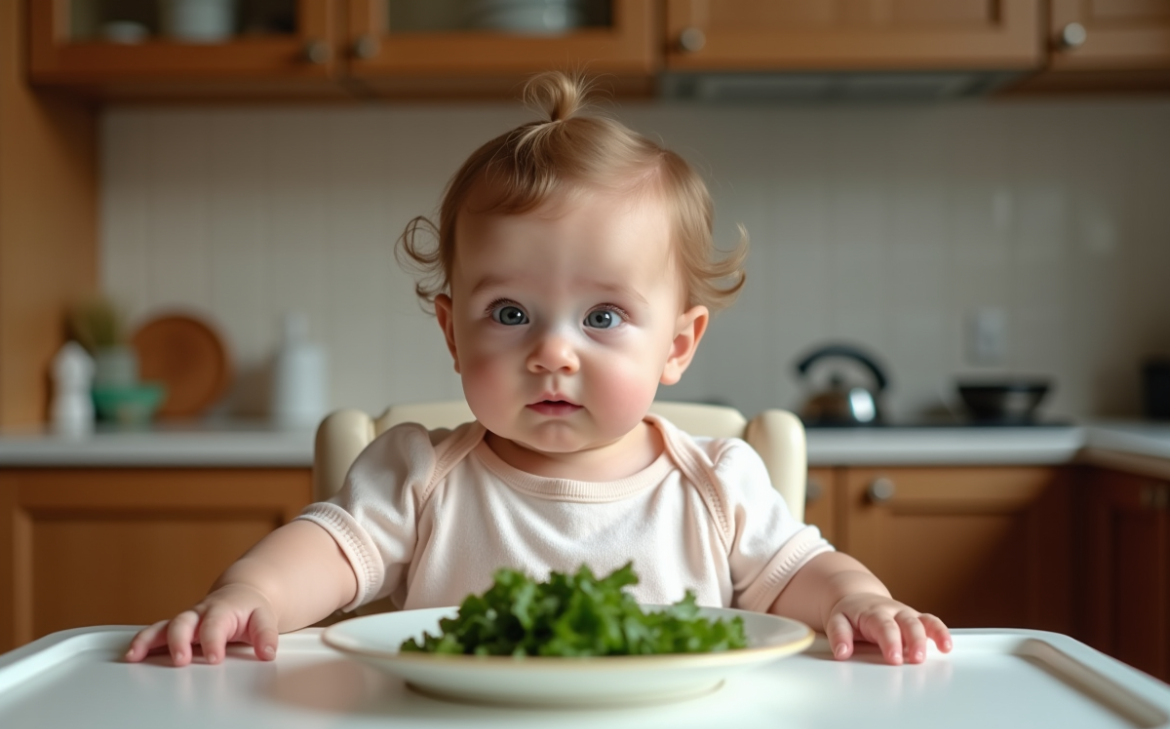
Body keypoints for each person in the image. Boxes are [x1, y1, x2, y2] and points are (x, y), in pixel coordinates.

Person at [126, 72, 951, 669]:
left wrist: (861, 601)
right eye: (511, 314)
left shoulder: (719, 483)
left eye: (603, 318)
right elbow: (327, 551)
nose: (553, 352)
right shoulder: (419, 474)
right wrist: (251, 595)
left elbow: (804, 571)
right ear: (453, 333)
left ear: (678, 344)